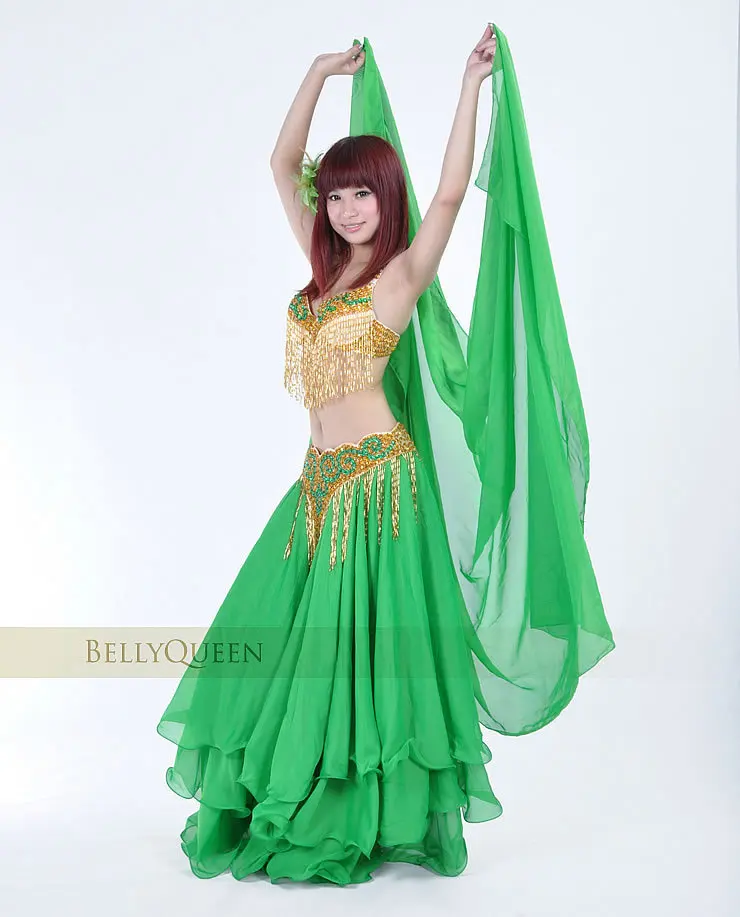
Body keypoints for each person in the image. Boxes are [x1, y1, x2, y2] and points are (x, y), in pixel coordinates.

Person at [157, 25, 615, 887]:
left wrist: (469, 87)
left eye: (361, 193)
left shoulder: (397, 279)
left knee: (361, 656)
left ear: (384, 196)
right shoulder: (320, 271)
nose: (345, 209)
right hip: (317, 489)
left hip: (379, 490)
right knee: (290, 647)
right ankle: (296, 791)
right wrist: (319, 71)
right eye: (335, 196)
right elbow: (280, 161)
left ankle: (361, 812)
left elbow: (449, 195)